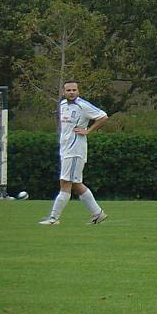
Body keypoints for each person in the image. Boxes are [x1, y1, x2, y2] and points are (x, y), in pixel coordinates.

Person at [38, 80, 109, 226]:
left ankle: (53, 218)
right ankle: (98, 213)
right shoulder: (63, 105)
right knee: (76, 184)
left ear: (78, 91)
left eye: (74, 90)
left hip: (75, 150)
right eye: (68, 90)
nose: (71, 92)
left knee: (65, 183)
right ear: (64, 92)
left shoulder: (82, 105)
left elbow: (103, 116)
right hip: (65, 150)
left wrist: (88, 130)